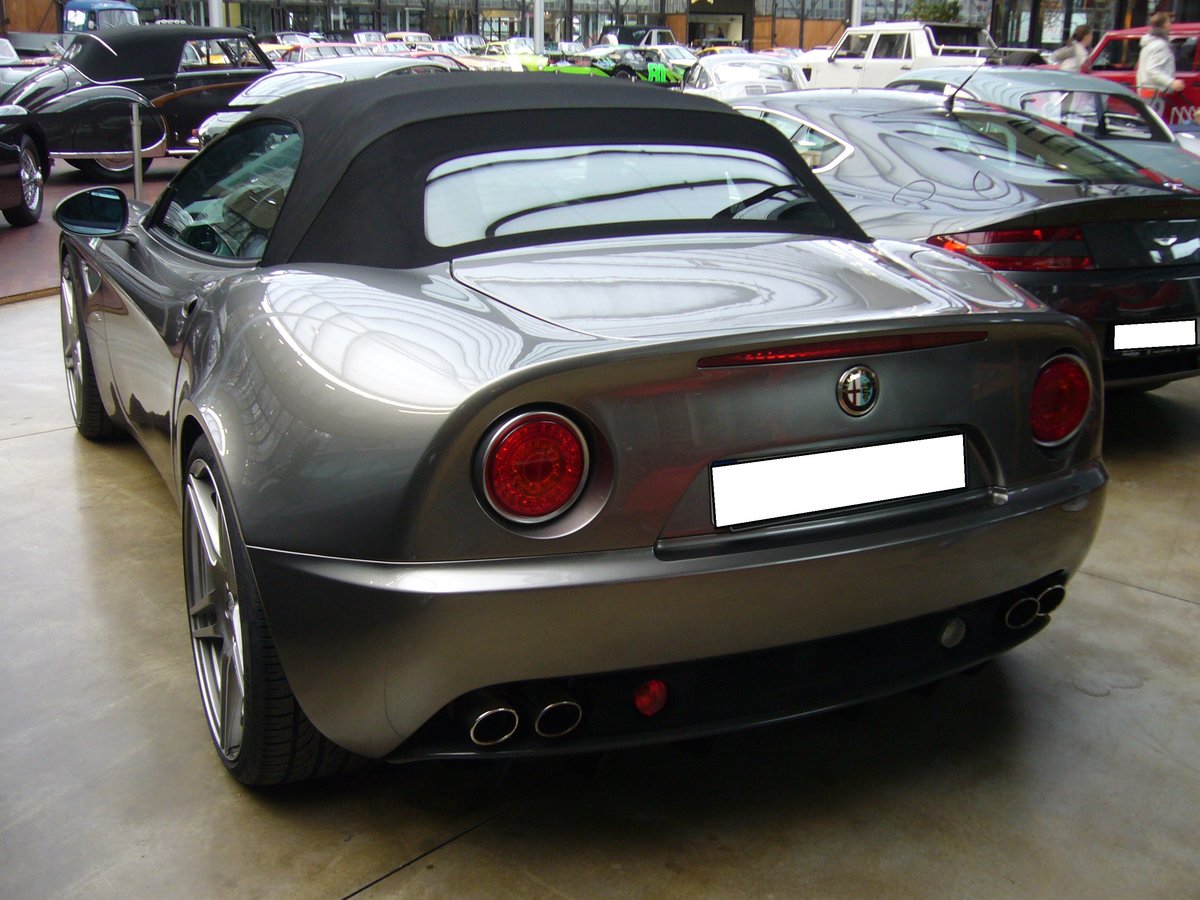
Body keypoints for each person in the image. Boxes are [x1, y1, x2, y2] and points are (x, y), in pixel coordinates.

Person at [1136, 11, 1185, 111]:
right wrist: (1171, 82)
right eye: (1169, 22)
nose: (1171, 25)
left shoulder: (1149, 44)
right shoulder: (1160, 45)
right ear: (1164, 24)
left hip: (1148, 92)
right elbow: (1152, 70)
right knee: (1152, 120)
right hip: (1154, 94)